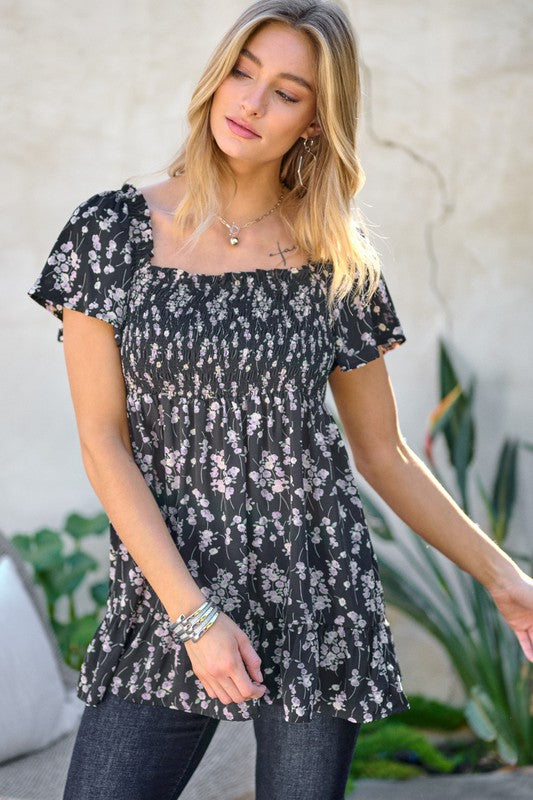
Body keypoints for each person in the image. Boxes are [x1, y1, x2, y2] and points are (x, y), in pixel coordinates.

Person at [26, 1, 533, 798]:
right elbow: (103, 441)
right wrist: (195, 619)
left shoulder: (333, 255)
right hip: (168, 596)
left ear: (315, 122)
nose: (251, 103)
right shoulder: (110, 231)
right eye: (243, 71)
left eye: (286, 92)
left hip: (314, 589)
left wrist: (507, 582)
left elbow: (384, 452)